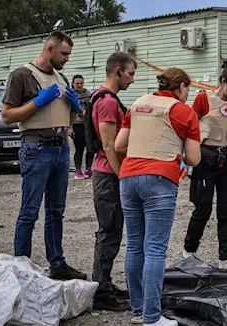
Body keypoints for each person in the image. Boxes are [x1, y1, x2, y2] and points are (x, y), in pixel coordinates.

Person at [115, 68, 201, 326]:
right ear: (182, 87)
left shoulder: (137, 104)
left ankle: (138, 308)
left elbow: (119, 144)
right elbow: (194, 159)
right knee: (154, 249)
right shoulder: (184, 112)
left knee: (134, 246)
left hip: (128, 177)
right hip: (160, 177)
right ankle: (152, 318)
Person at [1, 31, 86, 280]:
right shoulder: (22, 75)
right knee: (30, 210)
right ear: (49, 49)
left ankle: (57, 263)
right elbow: (7, 116)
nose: (67, 59)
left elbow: (69, 119)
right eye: (64, 53)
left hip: (60, 148)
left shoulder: (61, 78)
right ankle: (20, 268)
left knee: (56, 211)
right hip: (36, 147)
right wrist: (38, 101)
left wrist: (76, 109)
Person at [183, 61, 227, 272]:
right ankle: (189, 252)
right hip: (205, 158)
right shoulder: (203, 99)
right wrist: (185, 158)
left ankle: (226, 258)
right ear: (223, 81)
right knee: (202, 209)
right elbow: (191, 130)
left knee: (226, 210)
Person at [89, 52, 136, 311]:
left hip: (108, 173)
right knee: (109, 231)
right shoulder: (107, 102)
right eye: (130, 74)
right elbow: (108, 144)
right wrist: (123, 176)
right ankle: (101, 292)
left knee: (112, 230)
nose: (132, 79)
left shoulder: (104, 97)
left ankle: (103, 283)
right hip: (108, 174)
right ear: (117, 71)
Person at [69, 74, 94, 179]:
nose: (79, 85)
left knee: (90, 147)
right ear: (73, 84)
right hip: (76, 124)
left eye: (81, 83)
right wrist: (69, 127)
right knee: (79, 148)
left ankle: (88, 169)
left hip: (87, 124)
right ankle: (78, 170)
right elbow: (67, 112)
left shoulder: (88, 94)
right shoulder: (71, 96)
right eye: (77, 83)